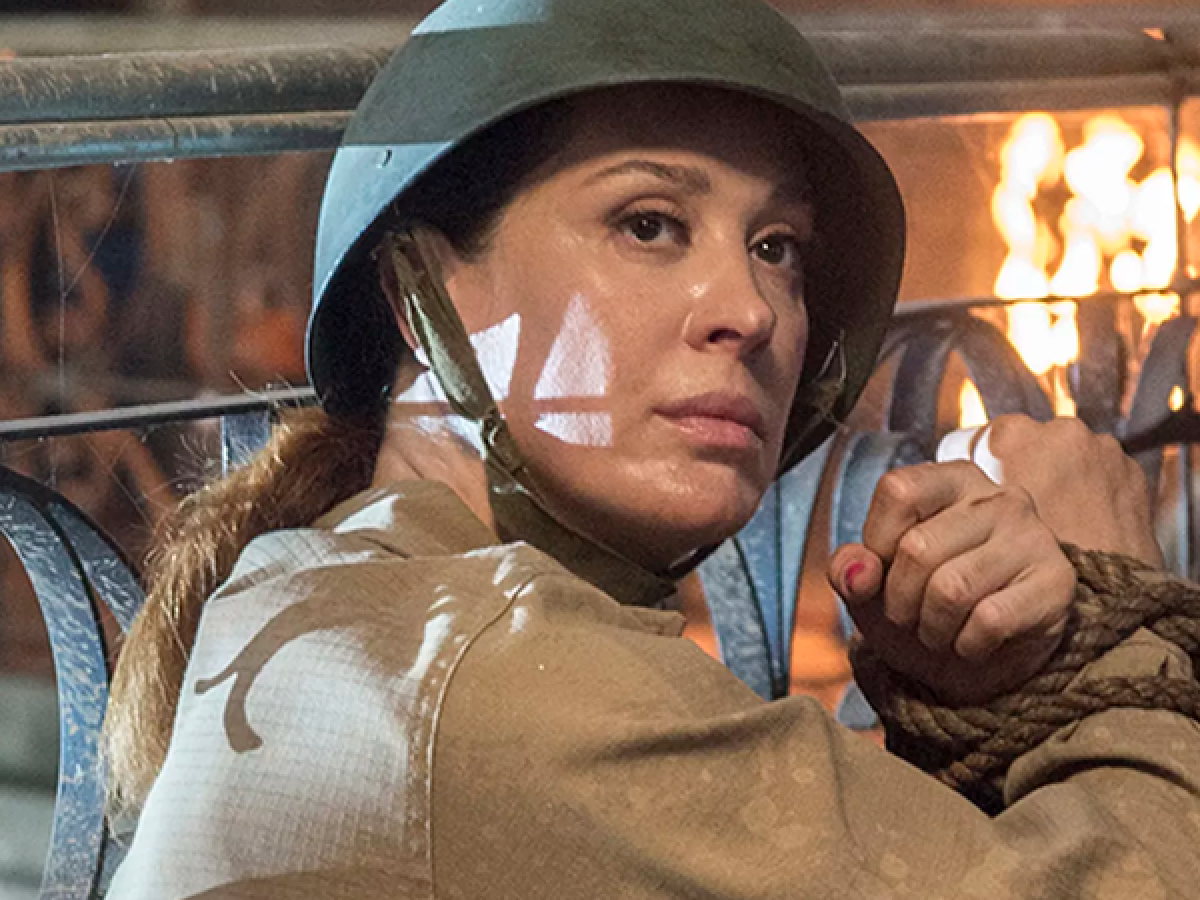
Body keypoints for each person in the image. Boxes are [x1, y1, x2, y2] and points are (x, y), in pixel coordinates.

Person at [102, 0, 1200, 896]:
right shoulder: (507, 680)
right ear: (420, 295)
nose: (751, 311)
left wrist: (977, 700)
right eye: (648, 224)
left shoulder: (335, 589)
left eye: (777, 247)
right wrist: (1115, 618)